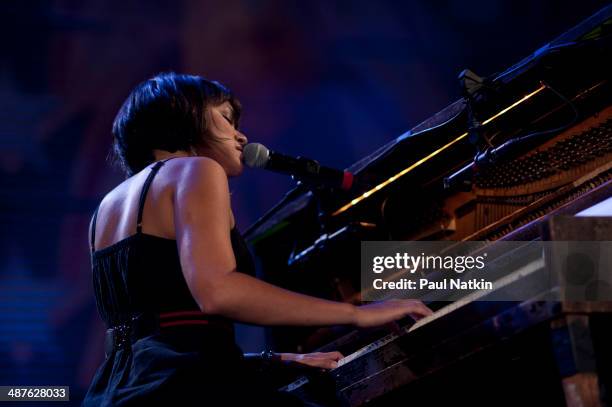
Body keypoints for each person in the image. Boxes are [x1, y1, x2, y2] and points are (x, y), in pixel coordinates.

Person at [82, 72, 432, 406]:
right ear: (184, 116)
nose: (241, 136)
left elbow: (155, 343)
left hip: (116, 391)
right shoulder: (196, 169)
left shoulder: (105, 210)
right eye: (226, 118)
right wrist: (357, 314)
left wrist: (274, 359)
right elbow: (218, 292)